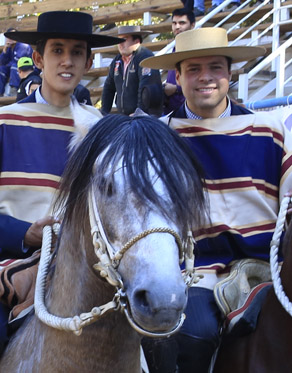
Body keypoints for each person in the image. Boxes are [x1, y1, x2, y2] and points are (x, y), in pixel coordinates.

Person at [0, 11, 123, 372]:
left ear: (89, 61)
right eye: (57, 50)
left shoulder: (105, 131)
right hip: (7, 265)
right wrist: (25, 232)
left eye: (77, 52)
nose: (67, 61)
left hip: (92, 270)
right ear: (39, 59)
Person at [140, 27, 288, 373]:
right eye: (193, 69)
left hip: (270, 268)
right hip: (193, 271)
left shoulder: (269, 129)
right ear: (178, 76)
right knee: (194, 332)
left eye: (215, 68)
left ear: (230, 73)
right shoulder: (158, 137)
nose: (205, 78)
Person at [100, 25, 163, 115]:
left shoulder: (145, 57)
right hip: (126, 116)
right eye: (119, 40)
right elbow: (109, 87)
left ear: (137, 42)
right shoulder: (117, 60)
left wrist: (139, 113)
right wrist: (104, 112)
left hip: (147, 116)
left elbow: (146, 88)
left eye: (124, 40)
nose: (120, 44)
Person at [163, 8, 196, 115]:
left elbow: (200, 81)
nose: (177, 27)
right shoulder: (175, 47)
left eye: (182, 23)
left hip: (191, 111)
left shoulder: (197, 48)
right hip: (172, 110)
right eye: (174, 23)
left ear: (192, 25)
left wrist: (176, 89)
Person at [0, 28, 33, 98]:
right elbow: (1, 62)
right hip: (15, 68)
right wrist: (4, 51)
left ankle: (15, 90)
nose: (10, 39)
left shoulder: (23, 45)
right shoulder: (9, 47)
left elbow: (18, 61)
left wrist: (8, 64)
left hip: (28, 68)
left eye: (12, 36)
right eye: (9, 37)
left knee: (14, 66)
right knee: (2, 69)